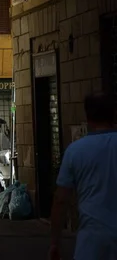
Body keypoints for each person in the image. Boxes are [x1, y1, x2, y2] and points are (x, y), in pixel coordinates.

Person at [49, 93, 117, 260]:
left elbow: (60, 200)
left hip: (92, 241)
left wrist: (55, 243)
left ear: (88, 117)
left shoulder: (75, 150)